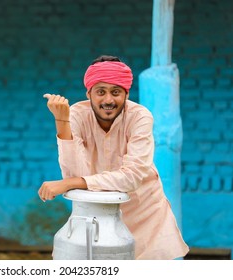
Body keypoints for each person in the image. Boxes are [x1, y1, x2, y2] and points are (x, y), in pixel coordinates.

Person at [38, 55, 189, 260]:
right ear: (88, 93)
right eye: (100, 92)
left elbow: (132, 177)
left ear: (126, 94)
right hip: (96, 216)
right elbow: (74, 174)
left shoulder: (140, 117)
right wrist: (61, 122)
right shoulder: (76, 115)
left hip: (145, 214)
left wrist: (71, 183)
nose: (108, 100)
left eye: (116, 92)